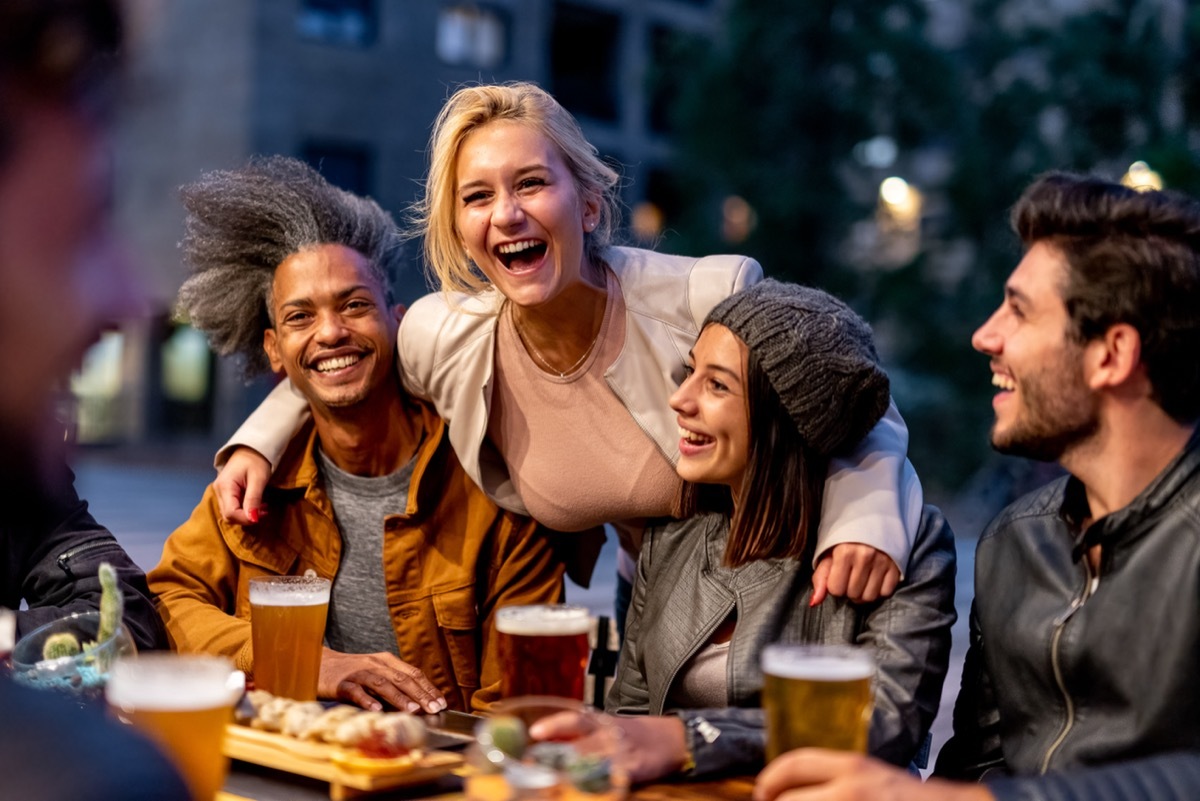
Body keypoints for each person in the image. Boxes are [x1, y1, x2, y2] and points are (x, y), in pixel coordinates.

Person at [212, 82, 923, 631]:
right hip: (656, 607)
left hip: (803, 591)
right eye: (477, 197)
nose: (507, 214)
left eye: (531, 183)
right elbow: (345, 357)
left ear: (585, 203)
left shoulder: (707, 295)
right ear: (461, 232)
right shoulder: (444, 335)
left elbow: (860, 398)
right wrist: (258, 444)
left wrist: (865, 525)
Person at [753, 173, 1200, 801]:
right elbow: (975, 764)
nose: (985, 336)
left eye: (1018, 310)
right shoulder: (1019, 540)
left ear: (1111, 355)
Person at [148, 156, 564, 714]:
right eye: (300, 318)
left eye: (354, 306)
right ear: (274, 349)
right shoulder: (251, 489)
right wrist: (302, 657)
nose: (331, 332)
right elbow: (169, 600)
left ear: (397, 320)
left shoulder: (493, 489)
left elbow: (515, 713)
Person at [534, 280, 955, 783]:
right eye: (691, 372)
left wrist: (690, 736)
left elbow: (885, 729)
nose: (679, 400)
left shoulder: (905, 543)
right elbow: (631, 717)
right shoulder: (673, 535)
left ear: (787, 418)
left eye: (717, 385)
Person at [0, 0, 189, 798]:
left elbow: (93, 571)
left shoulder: (26, 482)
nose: (132, 297)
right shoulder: (92, 779)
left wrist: (48, 667)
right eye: (86, 228)